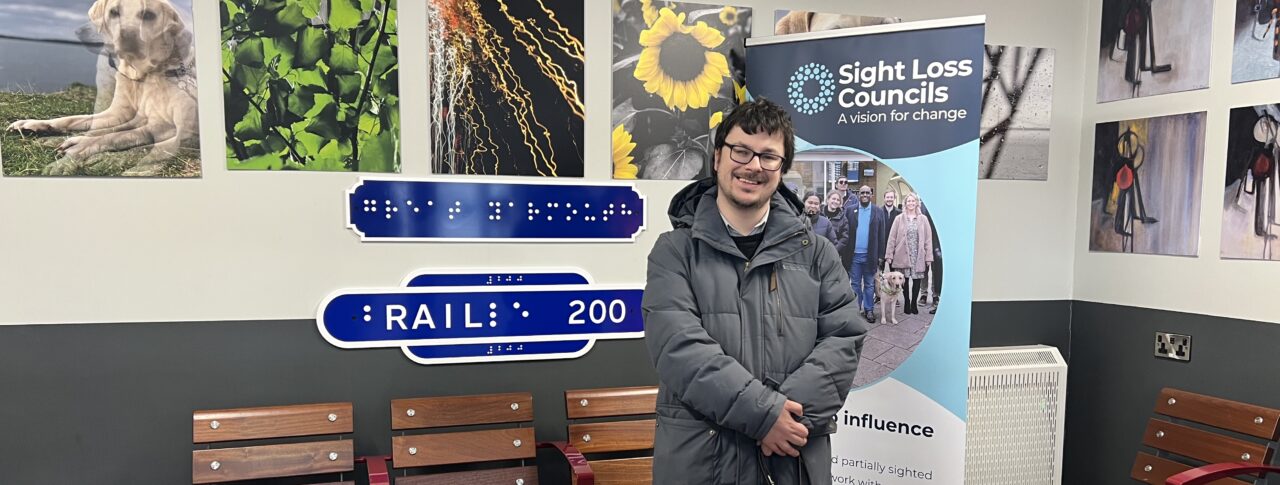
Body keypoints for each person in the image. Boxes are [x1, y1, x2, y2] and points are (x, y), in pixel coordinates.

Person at [643, 99, 866, 485]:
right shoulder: (674, 252)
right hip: (704, 465)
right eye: (741, 151)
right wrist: (765, 417)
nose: (753, 166)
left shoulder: (817, 255)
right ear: (717, 158)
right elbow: (680, 349)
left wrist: (785, 421)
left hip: (791, 462)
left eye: (768, 156)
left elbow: (844, 340)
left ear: (782, 169)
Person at [843, 184, 888, 323]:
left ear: (871, 194)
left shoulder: (877, 211)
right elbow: (845, 232)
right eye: (862, 192)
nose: (865, 195)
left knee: (869, 284)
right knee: (855, 284)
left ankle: (869, 310)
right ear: (858, 194)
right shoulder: (850, 210)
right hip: (854, 255)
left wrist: (881, 256)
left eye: (867, 193)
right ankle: (856, 309)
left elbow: (882, 235)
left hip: (870, 256)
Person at [885, 193, 934, 315]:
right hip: (902, 254)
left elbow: (928, 239)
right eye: (908, 201)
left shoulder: (923, 219)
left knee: (917, 280)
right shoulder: (899, 218)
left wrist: (929, 256)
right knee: (904, 280)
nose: (911, 203)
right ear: (905, 203)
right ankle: (907, 301)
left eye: (913, 201)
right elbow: (892, 238)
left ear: (917, 203)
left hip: (918, 255)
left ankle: (914, 303)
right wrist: (889, 255)